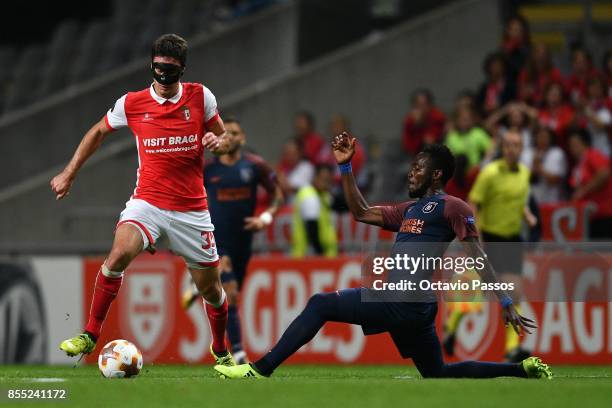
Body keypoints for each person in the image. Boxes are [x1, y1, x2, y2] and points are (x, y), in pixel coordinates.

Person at [213, 133, 552, 380]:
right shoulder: (410, 209)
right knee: (437, 374)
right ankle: (521, 370)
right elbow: (360, 211)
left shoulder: (453, 206)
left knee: (320, 303)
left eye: (418, 168)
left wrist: (505, 300)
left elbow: (476, 254)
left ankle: (259, 371)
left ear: (436, 175)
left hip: (404, 301)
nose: (411, 173)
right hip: (412, 308)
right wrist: (345, 168)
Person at [50, 34, 236, 368]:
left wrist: (217, 141)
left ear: (181, 70)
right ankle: (90, 334)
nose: (165, 80)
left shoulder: (200, 96)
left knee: (211, 290)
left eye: (172, 73)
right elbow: (97, 131)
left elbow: (224, 138)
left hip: (192, 210)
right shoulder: (132, 103)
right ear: (152, 65)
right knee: (119, 253)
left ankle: (221, 349)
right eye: (160, 70)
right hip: (147, 203)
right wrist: (69, 172)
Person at [182, 117, 284, 363]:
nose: (229, 137)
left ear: (243, 138)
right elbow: (185, 197)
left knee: (232, 294)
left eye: (235, 133)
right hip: (217, 241)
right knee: (232, 293)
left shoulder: (256, 166)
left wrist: (266, 218)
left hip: (243, 242)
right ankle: (238, 353)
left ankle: (200, 285)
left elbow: (278, 194)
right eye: (225, 133)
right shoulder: (207, 169)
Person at [463, 130, 537, 362]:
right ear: (502, 149)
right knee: (477, 289)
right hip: (490, 236)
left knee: (514, 291)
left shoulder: (525, 173)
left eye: (516, 145)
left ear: (522, 147)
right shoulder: (490, 173)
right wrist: (475, 236)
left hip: (512, 239)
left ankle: (511, 350)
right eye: (508, 145)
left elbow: (515, 201)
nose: (512, 149)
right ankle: (451, 330)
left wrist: (527, 215)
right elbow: (473, 202)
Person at [568, 128, 612, 239]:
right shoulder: (578, 164)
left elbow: (604, 173)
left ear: (585, 143)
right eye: (571, 145)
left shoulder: (593, 155)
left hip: (604, 214)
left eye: (575, 144)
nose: (572, 148)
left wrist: (584, 191)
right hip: (589, 217)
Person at [291, 164, 338, 258]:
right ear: (315, 178)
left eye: (329, 181)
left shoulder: (323, 195)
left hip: (323, 256)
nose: (327, 184)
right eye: (324, 180)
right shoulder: (310, 197)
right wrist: (319, 254)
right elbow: (312, 229)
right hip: (309, 256)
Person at [521, 126, 568, 204]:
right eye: (540, 136)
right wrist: (534, 167)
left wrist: (539, 168)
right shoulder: (527, 153)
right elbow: (521, 178)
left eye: (546, 137)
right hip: (531, 200)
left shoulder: (557, 153)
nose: (543, 140)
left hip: (552, 201)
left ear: (551, 138)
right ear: (535, 137)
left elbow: (555, 180)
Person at [401, 89, 446, 155]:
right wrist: (417, 125)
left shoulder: (438, 117)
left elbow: (432, 139)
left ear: (430, 105)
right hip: (414, 154)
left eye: (423, 105)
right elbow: (408, 146)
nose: (421, 109)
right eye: (418, 105)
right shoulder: (409, 121)